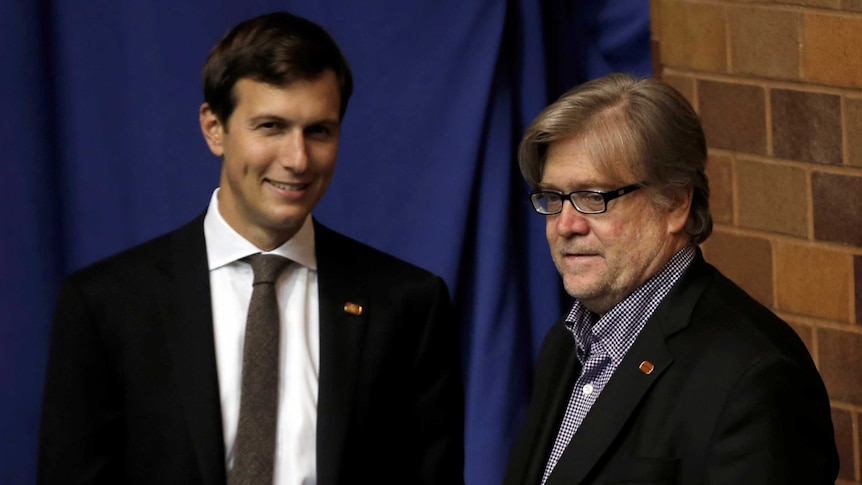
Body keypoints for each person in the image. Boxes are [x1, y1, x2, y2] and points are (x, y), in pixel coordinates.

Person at [38, 11, 463, 485]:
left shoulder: (407, 304)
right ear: (214, 128)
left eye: (318, 131)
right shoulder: (106, 305)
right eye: (270, 127)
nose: (297, 159)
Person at [503, 73, 838, 484]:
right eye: (554, 198)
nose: (565, 225)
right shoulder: (566, 342)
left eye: (594, 197)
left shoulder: (753, 378)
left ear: (676, 203)